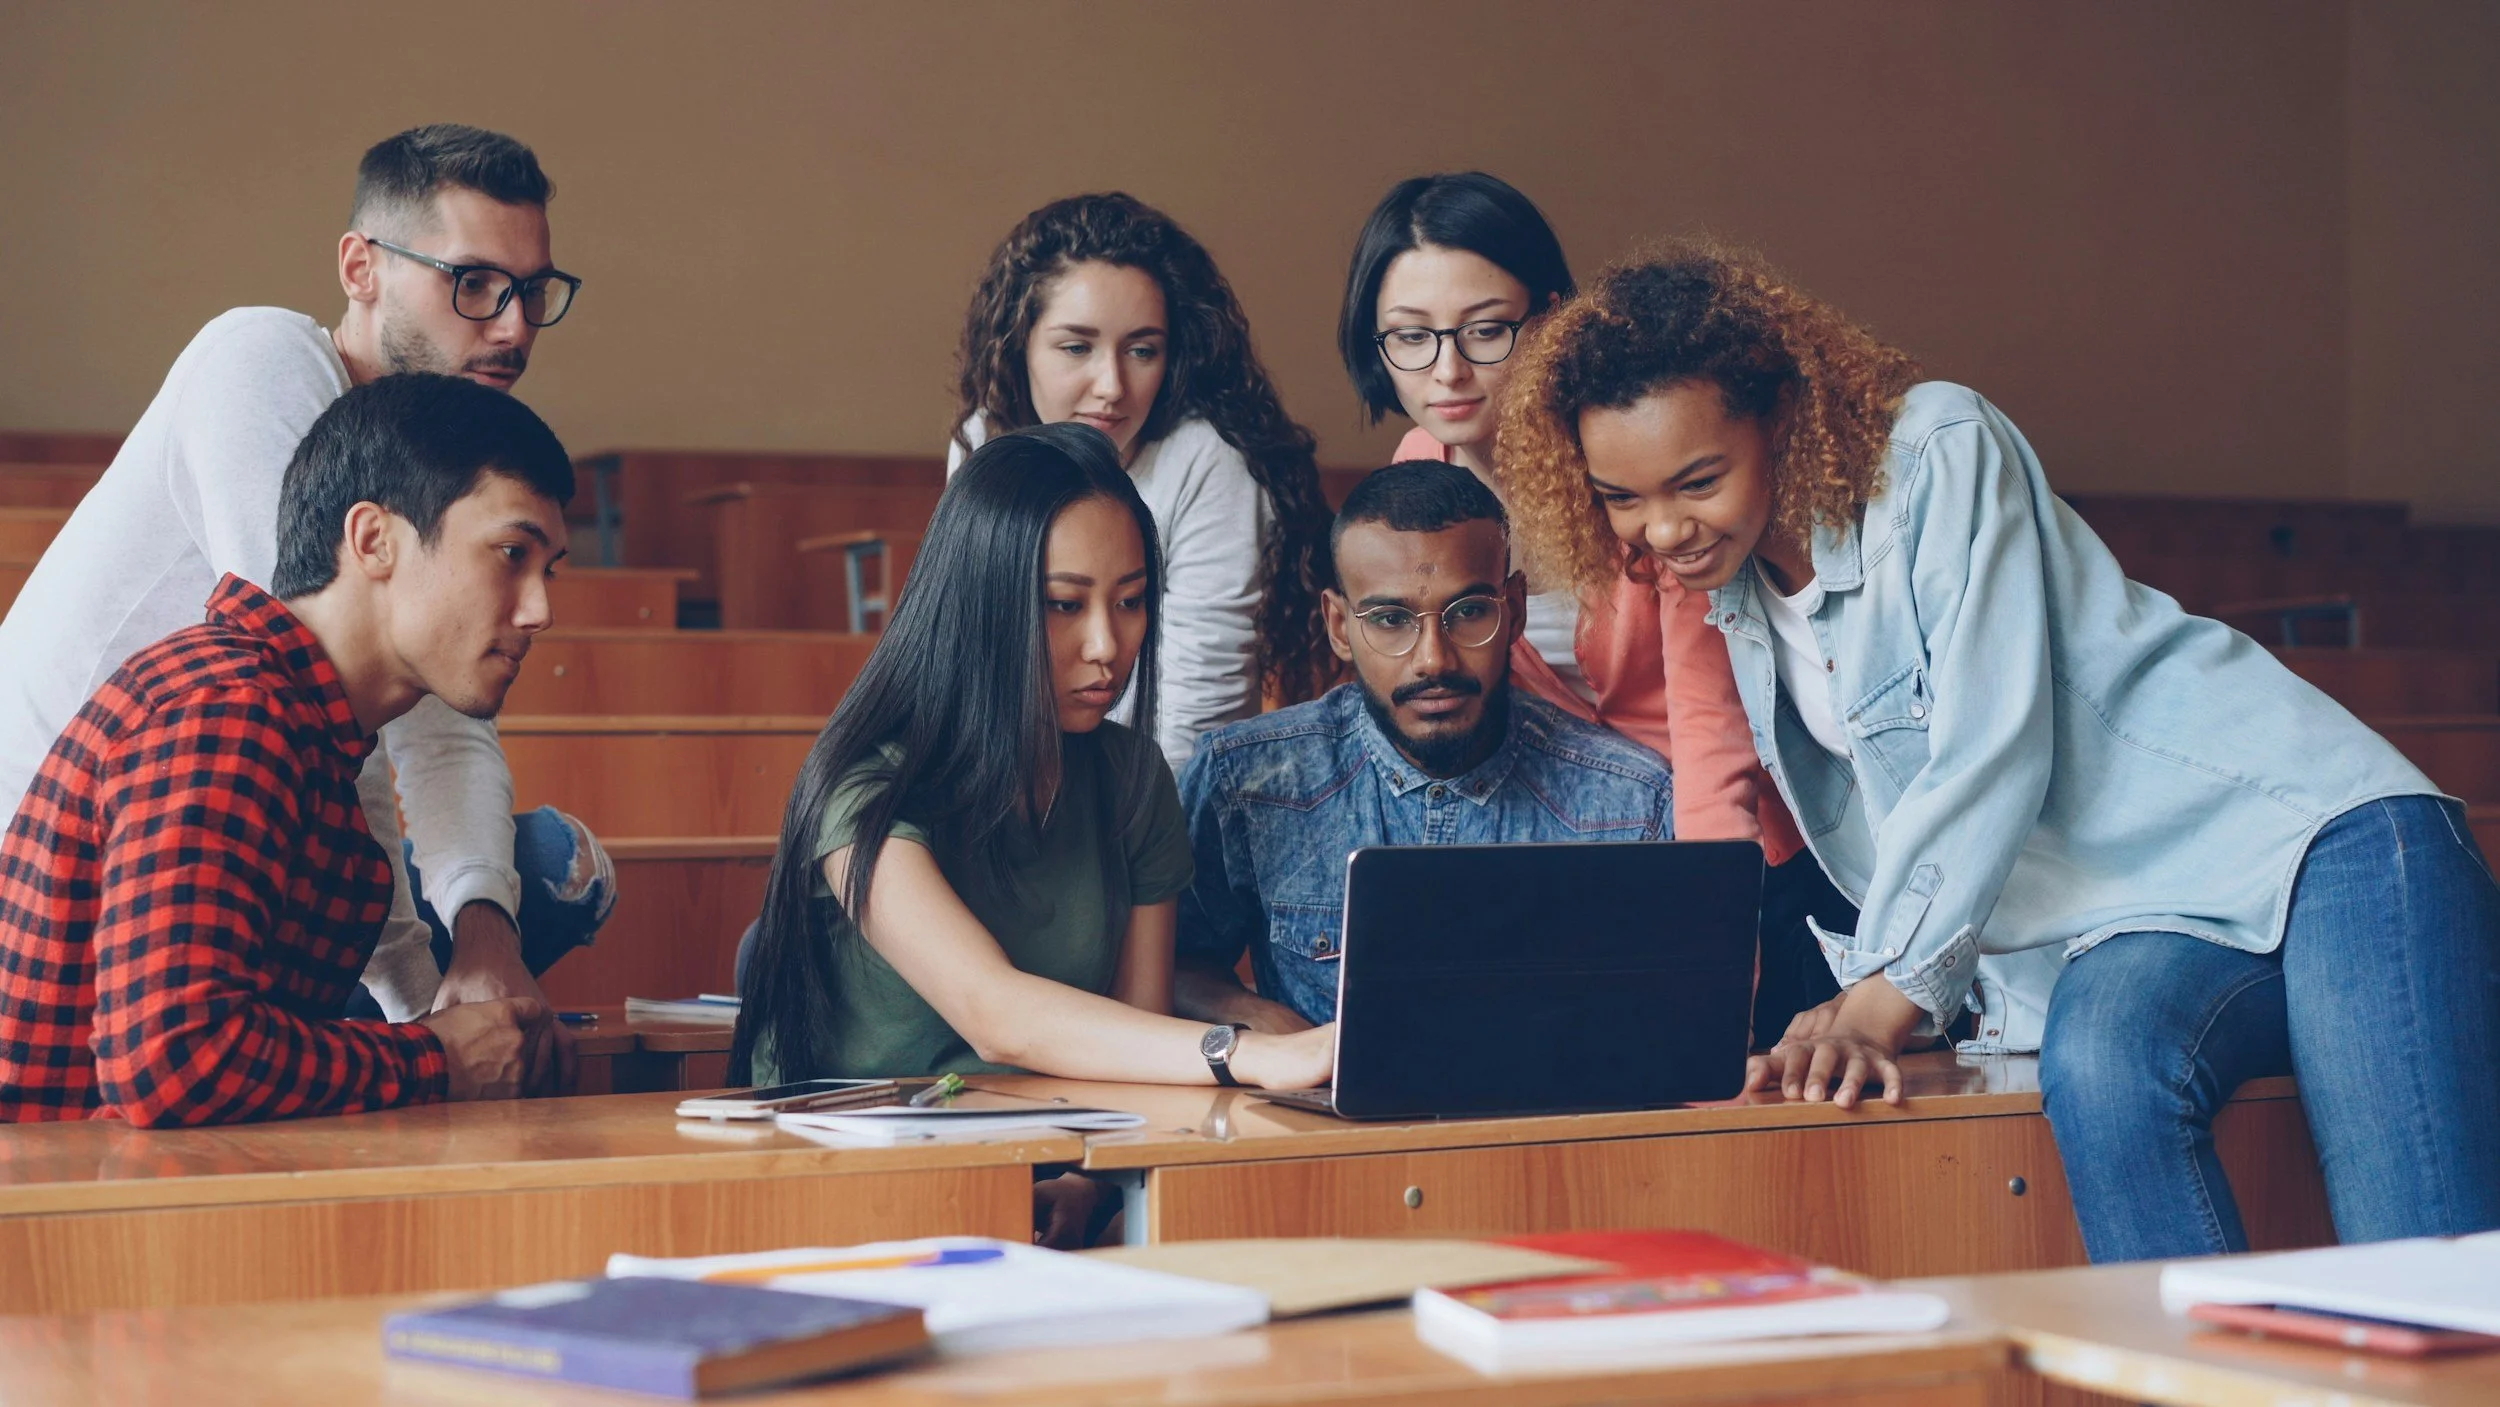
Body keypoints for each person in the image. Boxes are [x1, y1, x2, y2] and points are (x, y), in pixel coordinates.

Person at [1497, 241, 2500, 1262]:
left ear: (1780, 417)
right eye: (1621, 497)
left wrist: (1890, 990)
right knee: (2102, 1065)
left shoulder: (1936, 449)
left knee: (2419, 1265)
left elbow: (1989, 743)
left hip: (2330, 843)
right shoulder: (1740, 600)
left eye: (1695, 480)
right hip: (2145, 915)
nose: (1661, 528)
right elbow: (1897, 830)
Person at [0, 125, 611, 1076]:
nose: (514, 325)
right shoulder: (261, 359)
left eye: (535, 292)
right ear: (361, 268)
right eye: (475, 283)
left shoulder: (431, 451)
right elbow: (319, 688)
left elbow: (432, 710)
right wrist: (429, 1038)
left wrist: (487, 937)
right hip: (95, 850)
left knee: (549, 872)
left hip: (264, 803)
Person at [0, 374, 579, 1126]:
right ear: (374, 539)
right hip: (56, 1215)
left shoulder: (295, 724)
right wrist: (443, 1058)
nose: (540, 610)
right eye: (510, 554)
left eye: (549, 570)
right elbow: (170, 1064)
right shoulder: (229, 709)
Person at [1341, 174, 1845, 1036]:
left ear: (1550, 317)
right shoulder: (1417, 472)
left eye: (1487, 329)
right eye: (1411, 338)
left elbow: (1711, 740)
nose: (1448, 369)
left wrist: (1711, 974)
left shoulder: (1634, 462)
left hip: (1739, 866)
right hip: (1577, 867)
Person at [730, 422, 1336, 1096]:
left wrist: (1087, 1185)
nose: (1107, 643)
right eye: (1063, 604)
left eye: (1131, 601)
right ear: (982, 606)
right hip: (864, 1169)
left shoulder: (1132, 776)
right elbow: (997, 1014)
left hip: (1059, 1148)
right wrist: (1249, 1053)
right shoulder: (865, 786)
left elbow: (1137, 1035)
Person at [1173, 462, 1674, 1031]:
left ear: (1515, 609)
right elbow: (1171, 966)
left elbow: (1673, 1015)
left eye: (1468, 613)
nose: (1434, 659)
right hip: (1321, 1115)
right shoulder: (1245, 779)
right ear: (1339, 625)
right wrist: (1269, 1028)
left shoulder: (1633, 804)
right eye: (1390, 619)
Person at [949, 192, 1336, 771]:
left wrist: (1118, 841)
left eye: (1142, 350)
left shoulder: (1207, 460)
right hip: (1014, 786)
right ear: (1018, 345)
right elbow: (970, 654)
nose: (1112, 385)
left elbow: (1194, 720)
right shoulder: (983, 440)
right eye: (1077, 347)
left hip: (1160, 805)